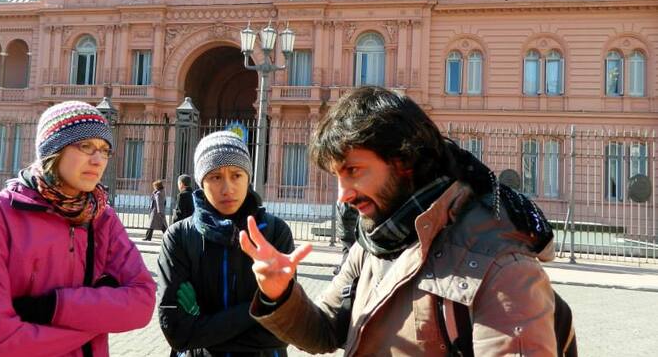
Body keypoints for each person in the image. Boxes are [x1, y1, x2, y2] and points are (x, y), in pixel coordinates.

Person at [239, 87, 564, 355]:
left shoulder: (500, 265)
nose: (343, 196)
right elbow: (325, 331)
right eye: (337, 175)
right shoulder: (373, 241)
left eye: (353, 171)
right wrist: (279, 292)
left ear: (404, 162)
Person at [0, 101, 156, 356]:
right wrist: (99, 318)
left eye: (105, 150)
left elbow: (142, 303)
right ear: (53, 149)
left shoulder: (102, 218)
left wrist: (53, 307)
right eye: (85, 146)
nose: (98, 160)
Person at [157, 131, 292, 357]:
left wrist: (202, 326)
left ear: (248, 177)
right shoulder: (179, 237)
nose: (227, 188)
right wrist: (259, 308)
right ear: (201, 182)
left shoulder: (275, 233)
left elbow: (282, 332)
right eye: (216, 177)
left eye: (237, 175)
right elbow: (178, 332)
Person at [332, 201, 358, 275]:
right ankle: (342, 271)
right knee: (354, 253)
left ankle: (340, 270)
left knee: (347, 252)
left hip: (346, 231)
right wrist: (358, 211)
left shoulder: (344, 199)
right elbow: (345, 213)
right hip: (347, 233)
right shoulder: (344, 200)